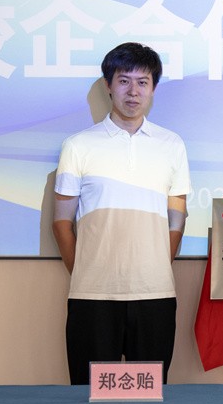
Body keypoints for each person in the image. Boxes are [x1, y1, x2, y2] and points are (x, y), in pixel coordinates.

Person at [52, 42, 190, 385]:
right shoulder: (78, 145)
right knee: (91, 396)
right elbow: (62, 222)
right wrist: (85, 271)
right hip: (92, 298)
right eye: (124, 81)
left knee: (148, 397)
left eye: (143, 82)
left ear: (153, 88)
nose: (133, 91)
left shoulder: (172, 145)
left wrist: (157, 264)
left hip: (155, 295)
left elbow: (177, 219)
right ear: (108, 85)